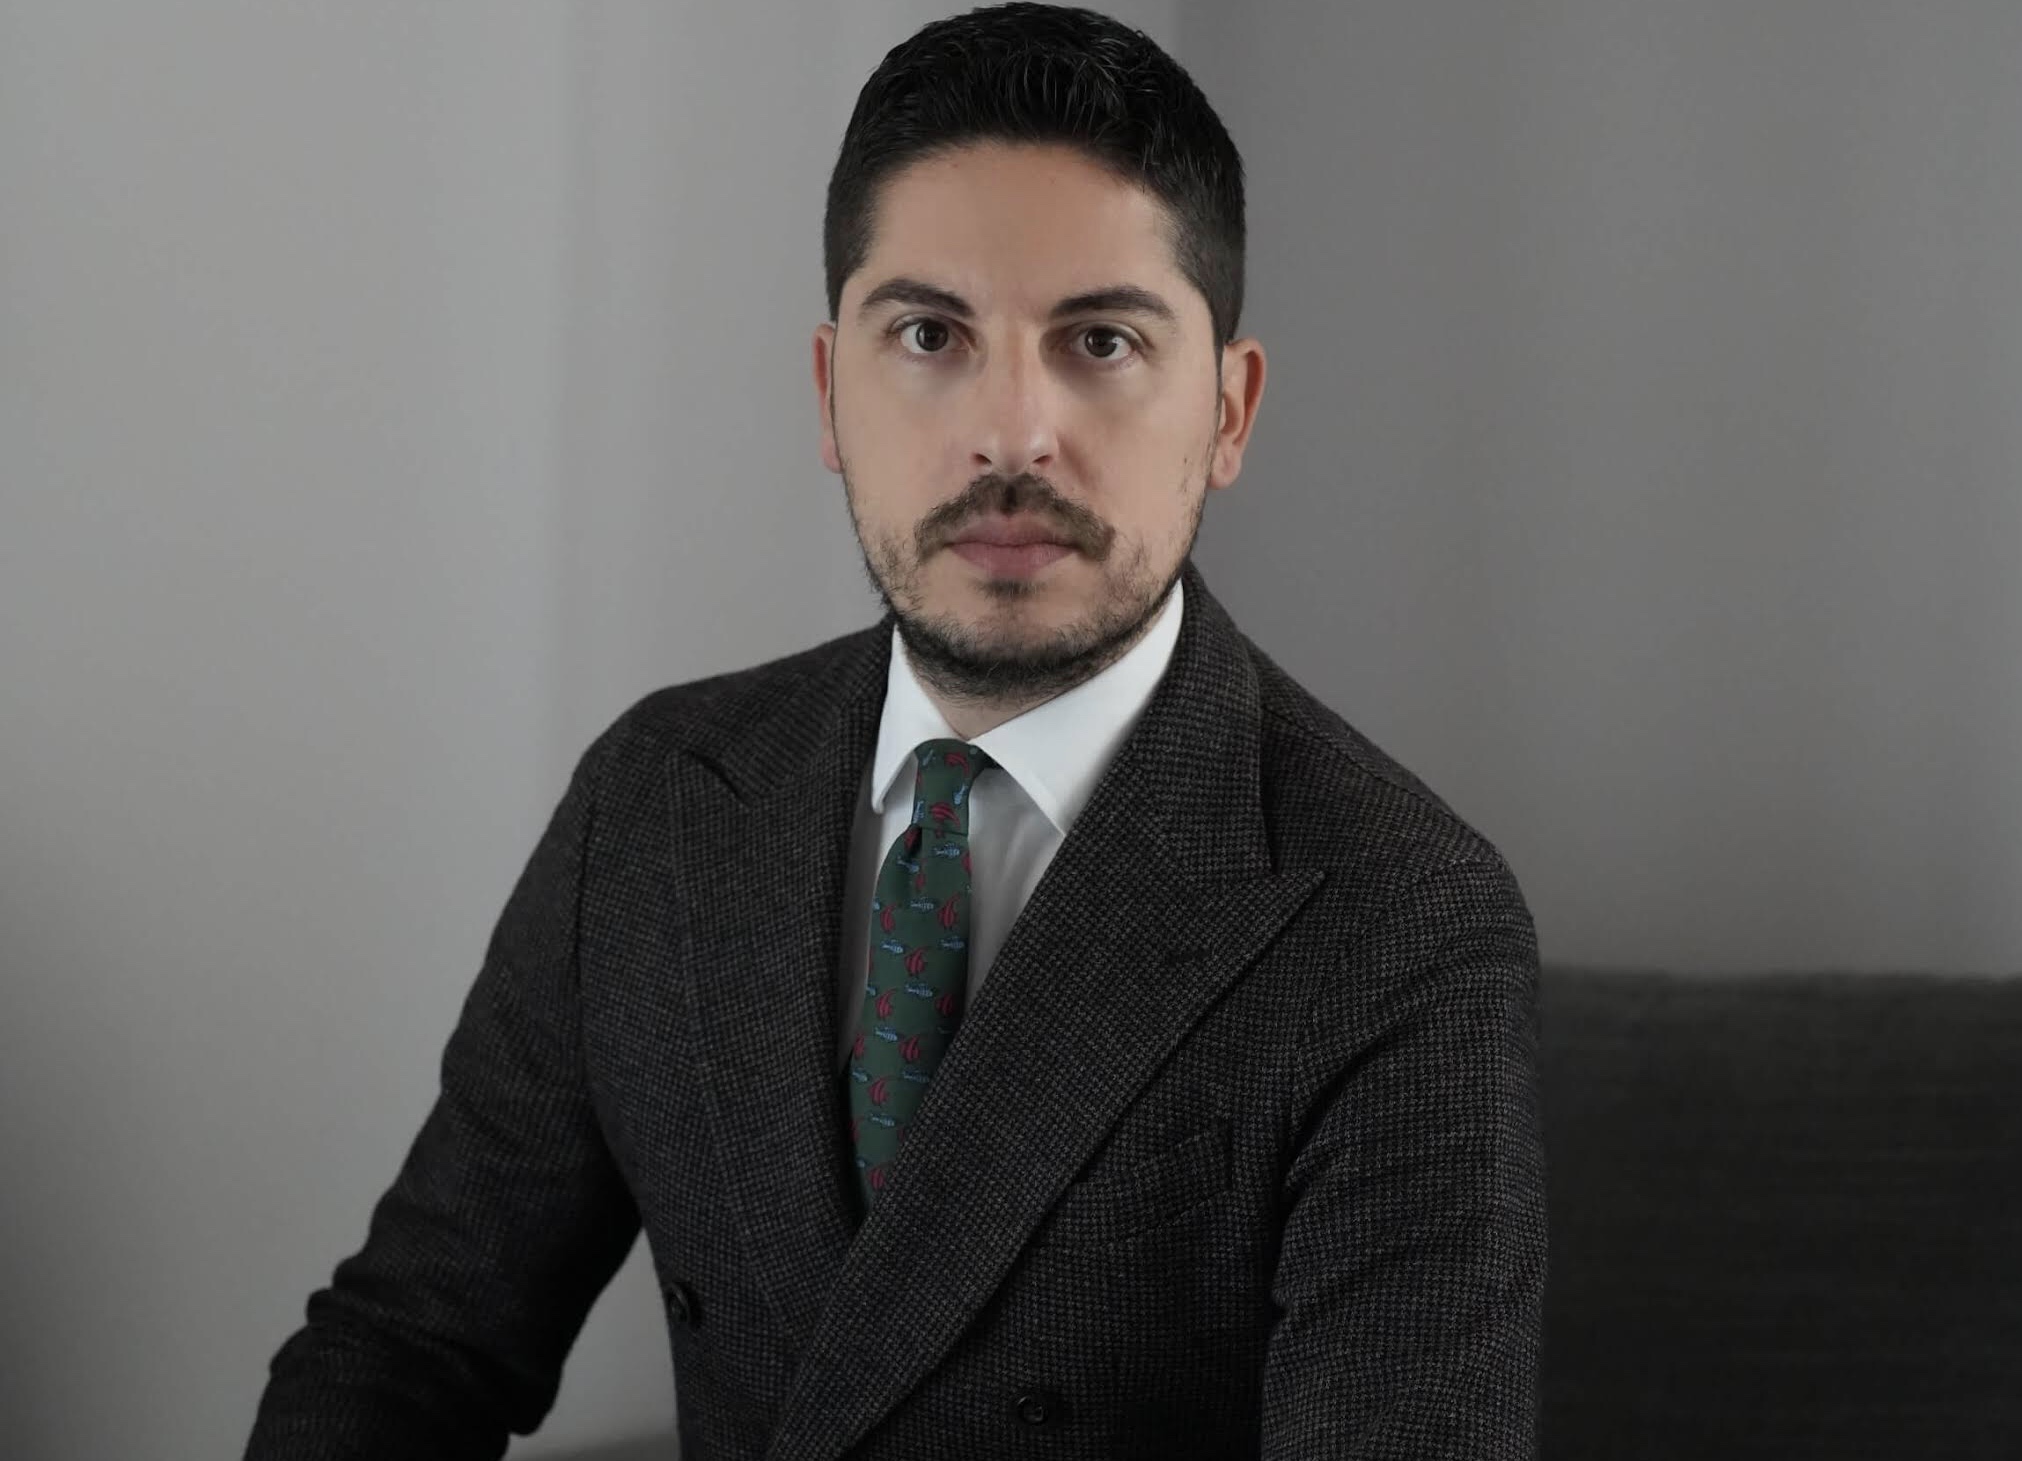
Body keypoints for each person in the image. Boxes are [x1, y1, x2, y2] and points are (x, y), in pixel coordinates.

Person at [243, 5, 1546, 1458]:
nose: (1010, 433)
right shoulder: (659, 801)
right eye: (929, 335)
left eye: (1101, 341)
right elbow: (412, 1343)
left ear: (1228, 412)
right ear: (829, 392)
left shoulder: (1399, 918)